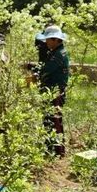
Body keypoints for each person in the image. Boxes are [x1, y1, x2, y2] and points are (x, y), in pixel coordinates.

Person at [36, 25, 69, 157]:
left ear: (55, 40)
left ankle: (57, 151)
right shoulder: (56, 52)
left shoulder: (59, 55)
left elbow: (45, 70)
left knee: (54, 120)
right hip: (52, 91)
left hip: (55, 92)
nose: (46, 42)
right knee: (50, 119)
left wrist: (35, 71)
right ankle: (51, 148)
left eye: (48, 40)